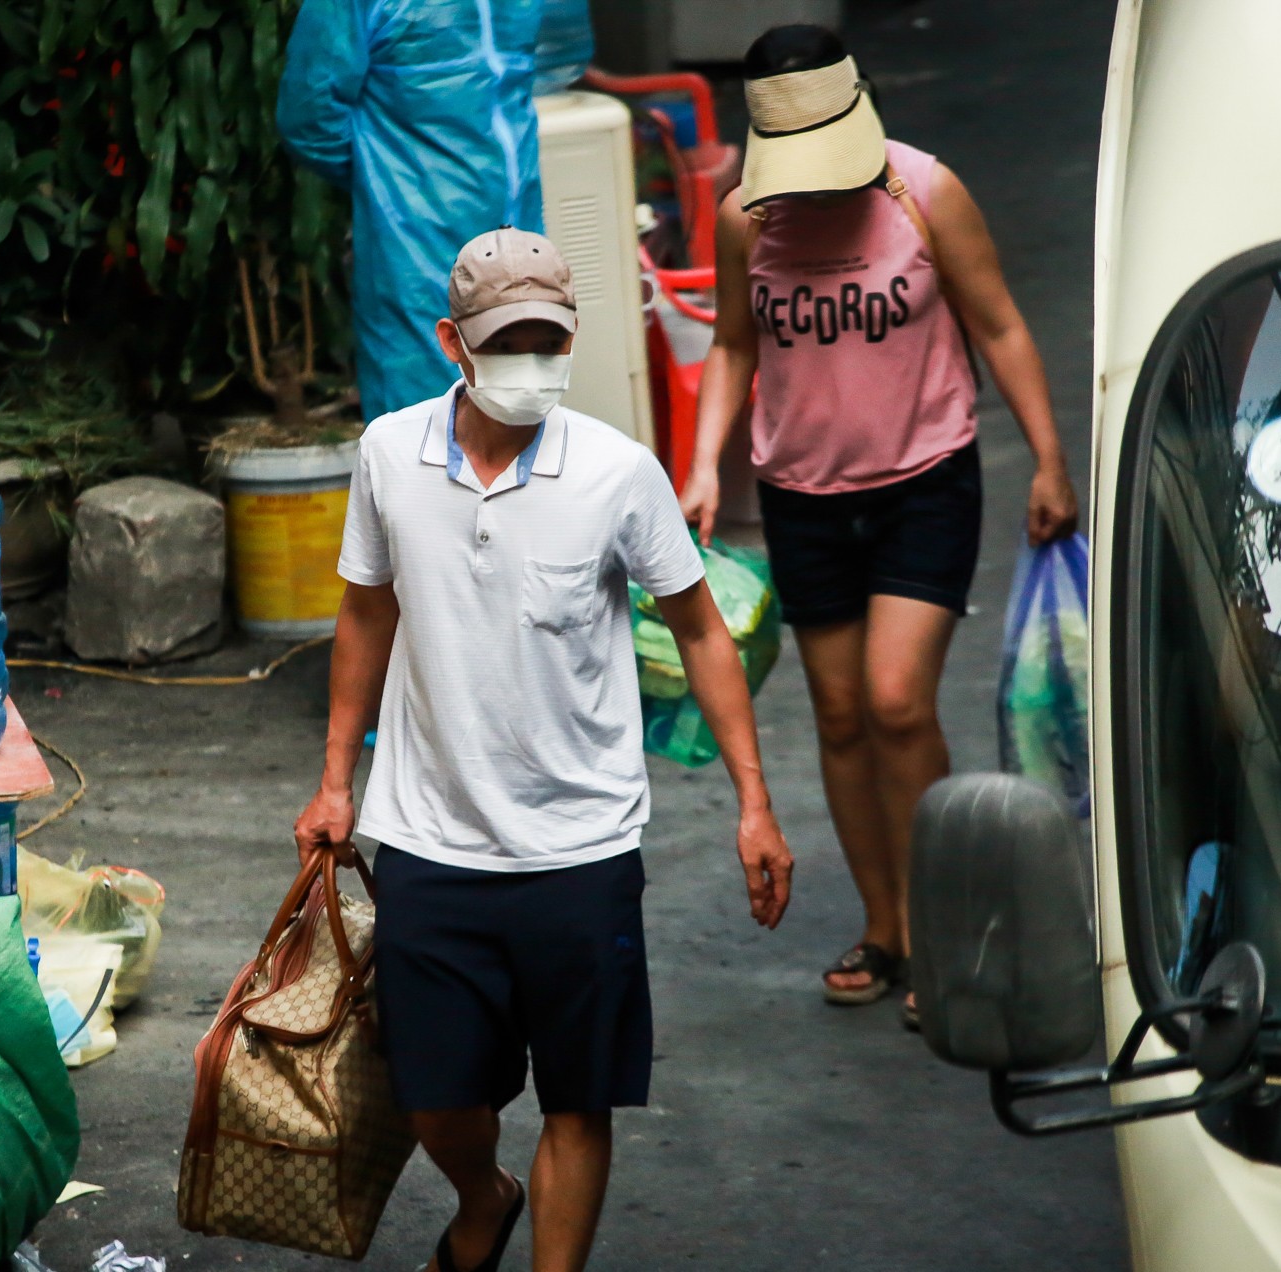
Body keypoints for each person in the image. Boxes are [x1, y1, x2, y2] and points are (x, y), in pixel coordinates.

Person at [295, 228, 795, 1272]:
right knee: (436, 1097)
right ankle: (484, 1194)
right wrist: (335, 779)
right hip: (430, 837)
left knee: (579, 1097)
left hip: (582, 847)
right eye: (507, 341)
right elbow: (364, 612)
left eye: (547, 340)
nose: (532, 362)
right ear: (452, 343)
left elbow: (701, 628)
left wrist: (754, 801)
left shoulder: (616, 473)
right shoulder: (390, 453)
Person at [679, 26, 1079, 1024]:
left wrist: (1047, 457)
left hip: (923, 480)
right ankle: (887, 924)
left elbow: (997, 323)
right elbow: (731, 346)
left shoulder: (923, 192)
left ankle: (948, 931)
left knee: (898, 701)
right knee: (840, 715)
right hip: (802, 494)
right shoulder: (746, 220)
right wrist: (696, 467)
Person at [276, 0, 544, 424]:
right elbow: (309, 117)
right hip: (413, 249)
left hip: (519, 235)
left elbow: (548, 62)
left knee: (524, 423)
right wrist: (388, 182)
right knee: (427, 436)